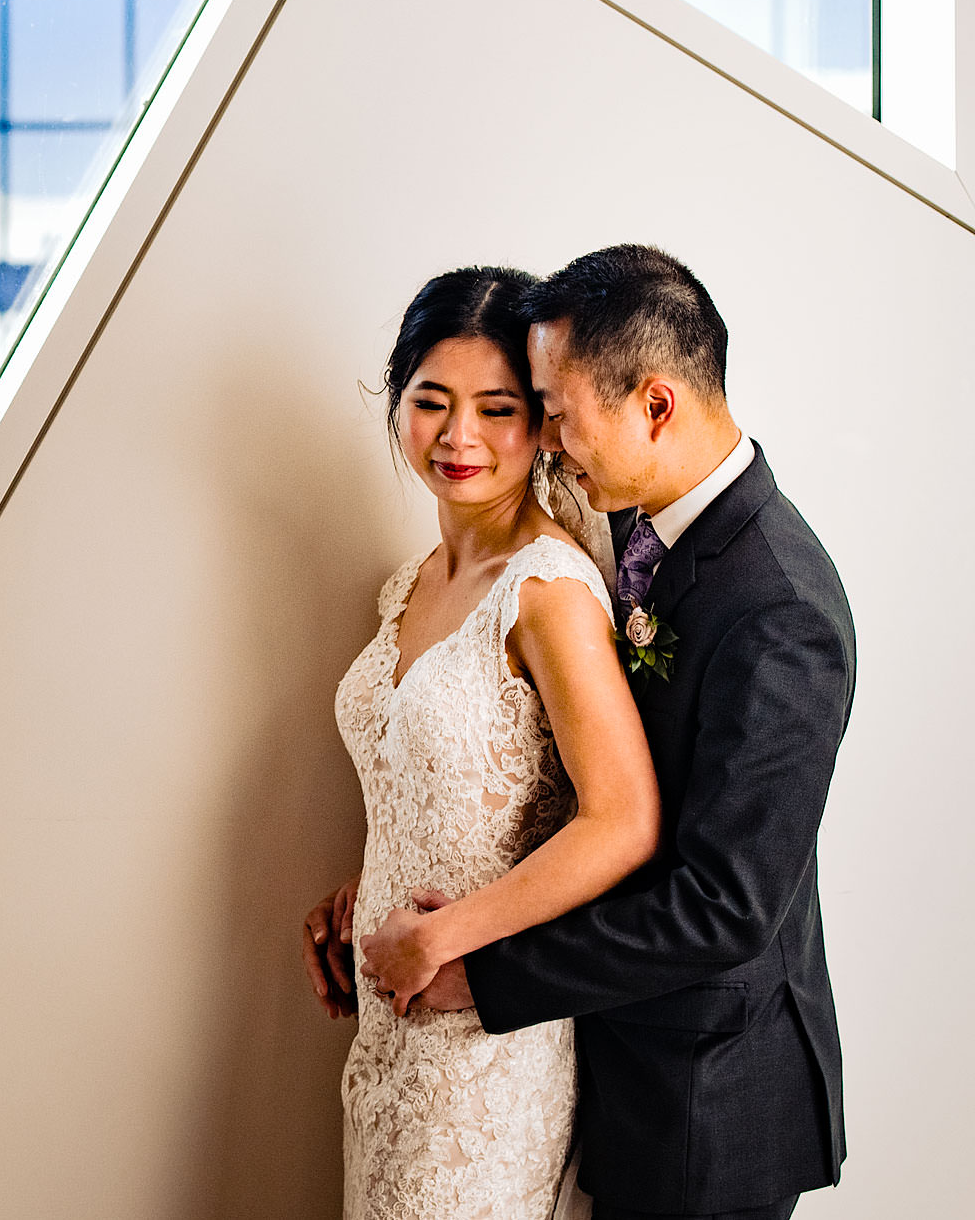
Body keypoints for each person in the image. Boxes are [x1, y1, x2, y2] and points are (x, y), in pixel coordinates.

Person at [354, 246, 854, 1220]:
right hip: (598, 1056)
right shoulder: (629, 522)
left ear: (654, 407)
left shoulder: (781, 608)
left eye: (556, 411)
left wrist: (480, 973)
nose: (544, 440)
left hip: (704, 1099)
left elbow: (724, 907)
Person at [304, 266, 661, 1219]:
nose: (459, 437)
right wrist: (363, 893)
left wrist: (442, 936)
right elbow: (444, 788)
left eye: (497, 408)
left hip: (483, 1048)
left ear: (543, 425)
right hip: (387, 1042)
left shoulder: (546, 590)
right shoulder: (408, 582)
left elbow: (622, 819)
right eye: (432, 401)